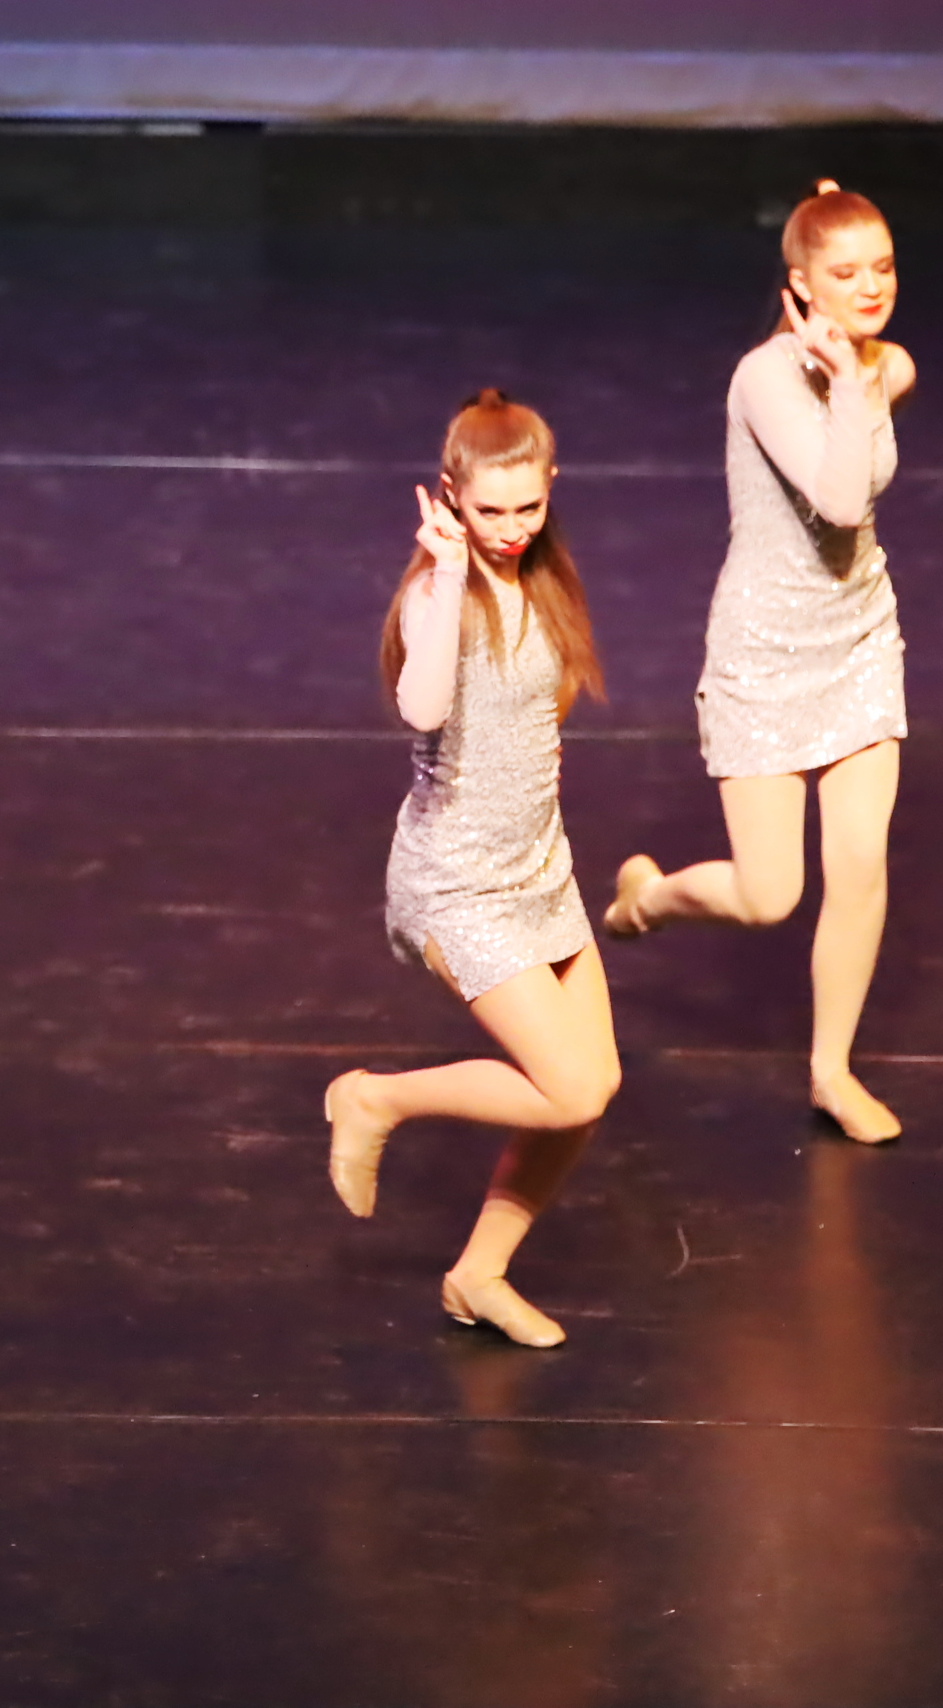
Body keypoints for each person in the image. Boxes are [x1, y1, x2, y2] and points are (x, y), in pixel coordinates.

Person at [604, 180, 914, 1145]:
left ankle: (831, 1072)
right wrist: (852, 382)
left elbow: (889, 378)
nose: (871, 288)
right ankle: (647, 899)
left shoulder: (883, 362)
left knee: (860, 864)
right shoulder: (765, 380)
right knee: (769, 895)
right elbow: (841, 500)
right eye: (845, 273)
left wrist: (862, 366)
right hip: (767, 656)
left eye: (882, 268)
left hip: (860, 641)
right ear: (800, 285)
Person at [323, 391, 619, 1348]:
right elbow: (421, 707)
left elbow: (537, 718)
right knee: (569, 1089)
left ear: (551, 487)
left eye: (528, 506)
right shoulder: (436, 593)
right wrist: (450, 575)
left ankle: (477, 1277)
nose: (510, 527)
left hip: (541, 874)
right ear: (450, 495)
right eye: (490, 509)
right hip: (457, 884)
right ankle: (373, 1098)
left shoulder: (547, 581)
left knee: (590, 1091)